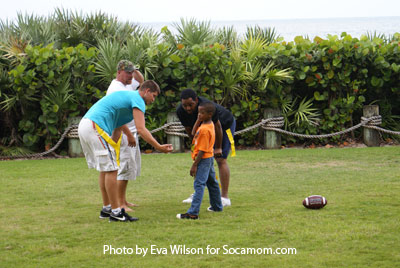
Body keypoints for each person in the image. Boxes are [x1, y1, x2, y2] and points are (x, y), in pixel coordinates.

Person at [78, 80, 173, 222]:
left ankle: (107, 209)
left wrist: (116, 147)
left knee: (106, 169)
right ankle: (116, 213)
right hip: (94, 126)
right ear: (146, 91)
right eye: (153, 96)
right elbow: (141, 129)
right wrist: (159, 147)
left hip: (87, 125)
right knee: (111, 169)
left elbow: (118, 124)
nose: (153, 100)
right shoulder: (137, 99)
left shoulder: (127, 98)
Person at [176, 89, 236, 207]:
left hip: (224, 126)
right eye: (185, 105)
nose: (187, 108)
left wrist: (218, 148)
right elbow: (189, 129)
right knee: (202, 160)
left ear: (196, 101)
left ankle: (224, 197)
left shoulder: (208, 108)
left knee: (220, 159)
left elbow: (218, 127)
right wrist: (195, 144)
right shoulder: (180, 111)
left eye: (190, 105)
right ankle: (198, 192)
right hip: (204, 130)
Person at [106, 60, 144, 212]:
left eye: (132, 72)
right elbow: (116, 118)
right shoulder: (115, 89)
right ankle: (119, 203)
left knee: (129, 168)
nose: (131, 75)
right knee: (123, 167)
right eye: (128, 72)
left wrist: (134, 68)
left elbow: (142, 81)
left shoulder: (127, 84)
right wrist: (128, 134)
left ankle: (124, 200)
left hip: (131, 132)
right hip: (122, 133)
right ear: (119, 72)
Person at [176, 101, 223, 220]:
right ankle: (217, 206)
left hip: (203, 159)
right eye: (198, 113)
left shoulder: (205, 130)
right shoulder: (207, 124)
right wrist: (198, 120)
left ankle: (193, 213)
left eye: (202, 113)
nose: (199, 115)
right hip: (209, 158)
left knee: (199, 184)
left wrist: (194, 165)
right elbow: (193, 133)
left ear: (210, 114)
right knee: (212, 183)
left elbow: (201, 150)